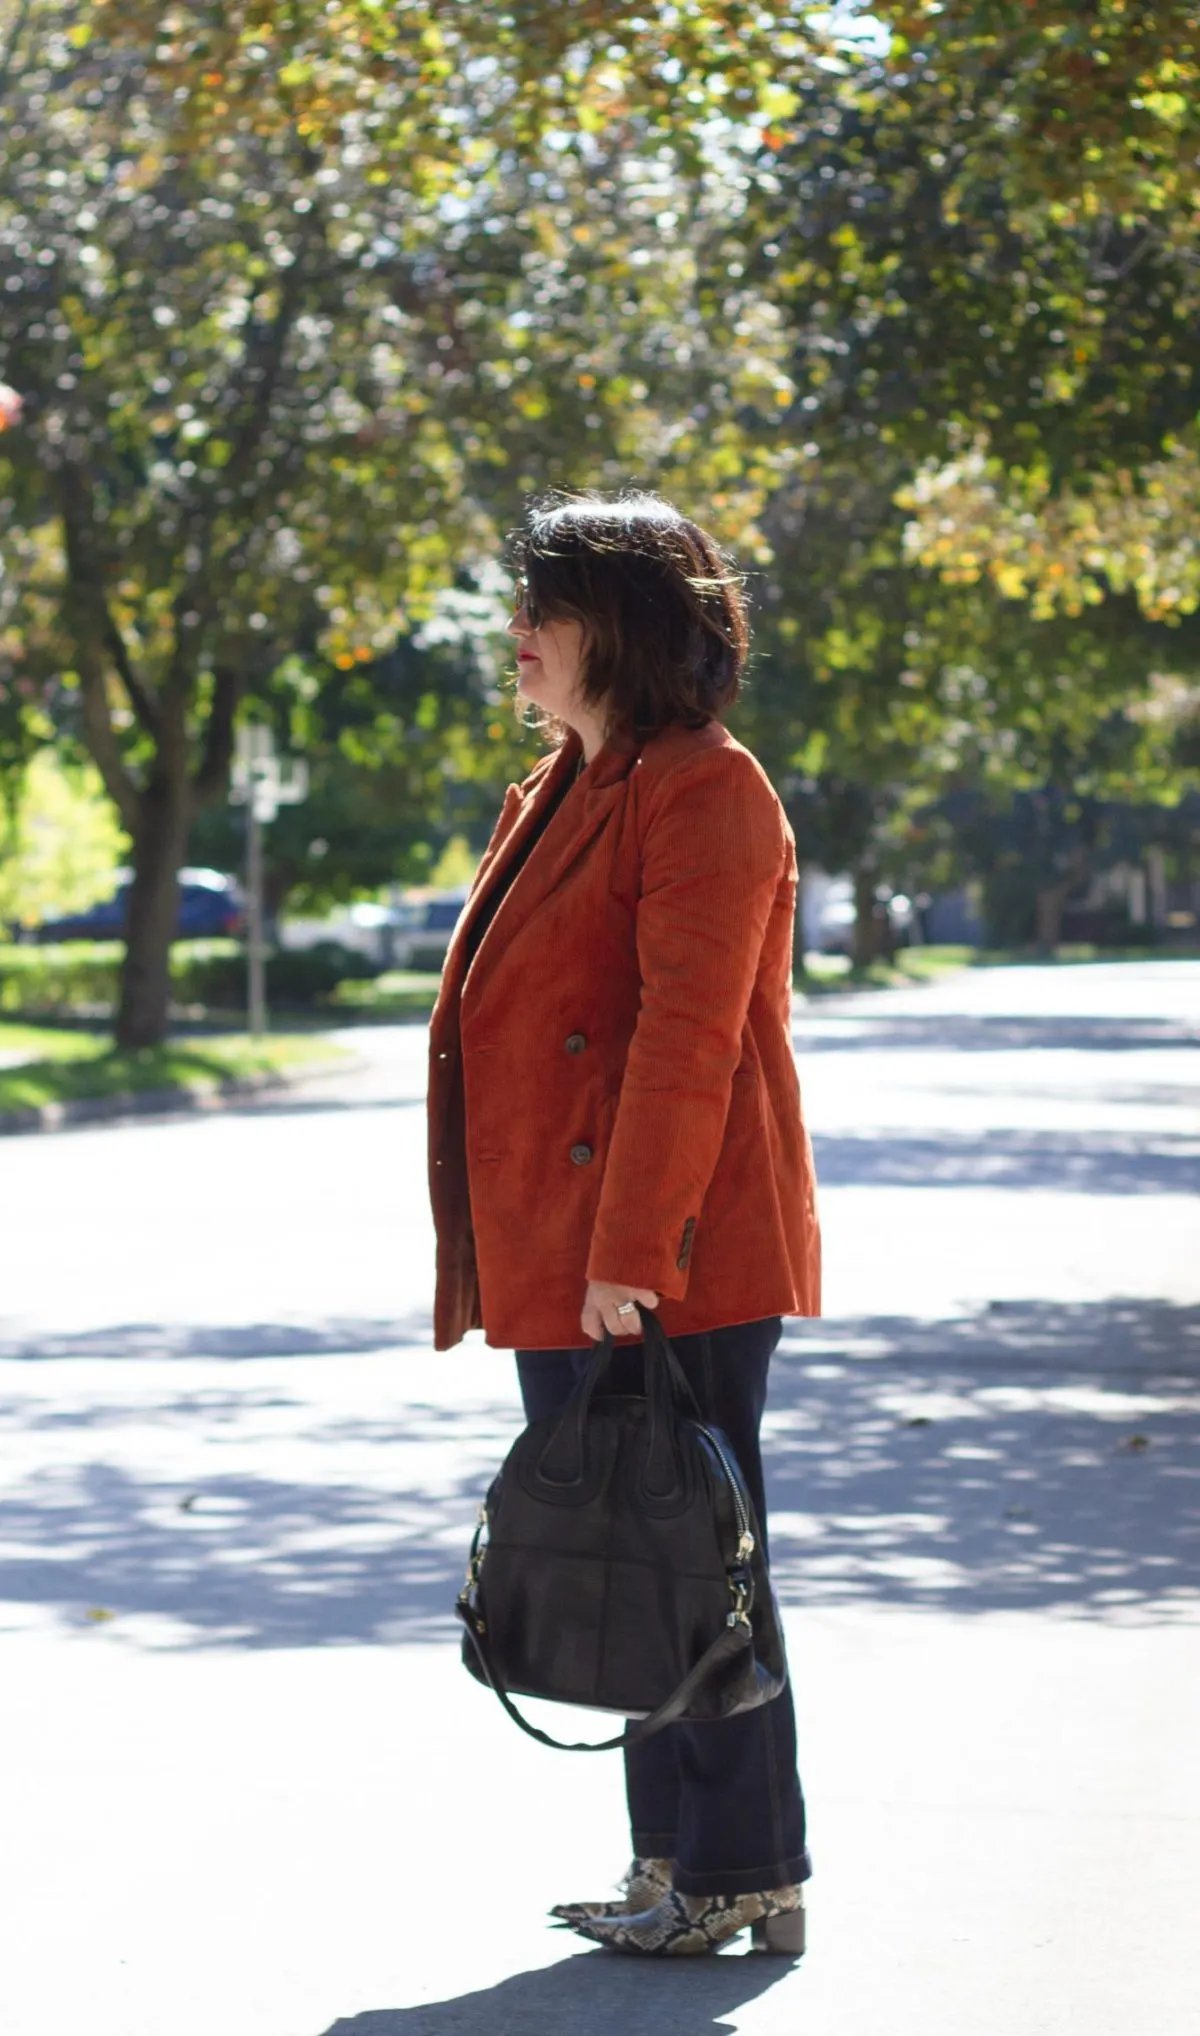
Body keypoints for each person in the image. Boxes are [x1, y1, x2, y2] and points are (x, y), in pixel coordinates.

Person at [426, 490, 821, 1958]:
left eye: (549, 607)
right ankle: (679, 1867)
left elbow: (685, 1041)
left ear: (629, 628)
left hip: (670, 1255)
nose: (517, 632)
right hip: (575, 1251)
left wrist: (628, 1255)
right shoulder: (563, 787)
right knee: (629, 1555)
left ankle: (748, 1872)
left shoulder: (708, 790)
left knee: (700, 1552)